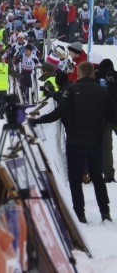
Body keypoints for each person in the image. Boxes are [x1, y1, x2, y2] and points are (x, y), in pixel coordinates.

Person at [30, 62, 115, 223]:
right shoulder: (102, 92)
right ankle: (105, 212)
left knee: (75, 179)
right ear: (92, 74)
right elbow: (112, 115)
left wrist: (38, 120)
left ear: (80, 74)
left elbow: (59, 112)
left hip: (75, 140)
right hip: (96, 140)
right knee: (97, 176)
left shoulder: (72, 90)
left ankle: (80, 214)